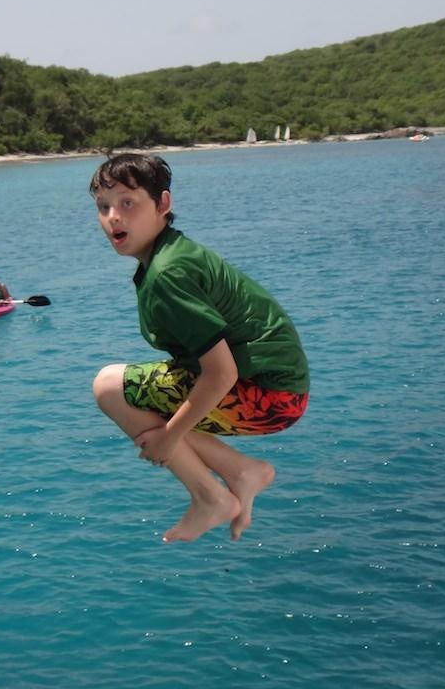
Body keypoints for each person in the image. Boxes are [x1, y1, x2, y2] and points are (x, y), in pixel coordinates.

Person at [90, 153, 309, 544]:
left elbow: (222, 372)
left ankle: (211, 497)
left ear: (163, 204)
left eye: (127, 203)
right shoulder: (168, 256)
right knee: (138, 400)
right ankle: (241, 473)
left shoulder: (169, 272)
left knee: (110, 387)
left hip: (267, 393)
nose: (113, 217)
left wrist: (170, 438)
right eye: (103, 207)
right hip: (281, 390)